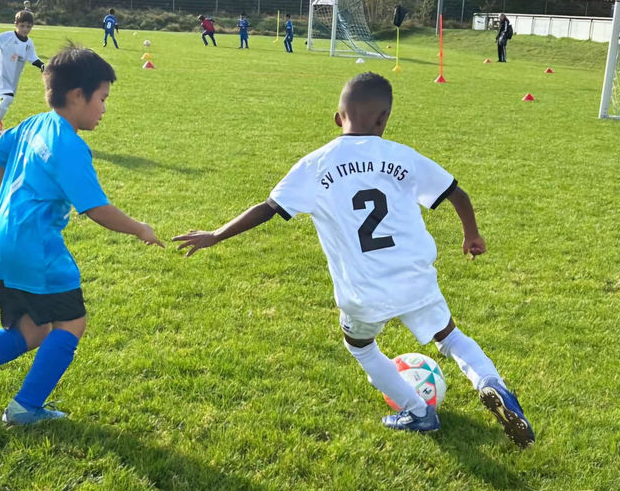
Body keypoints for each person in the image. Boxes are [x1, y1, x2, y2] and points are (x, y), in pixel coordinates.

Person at [173, 72, 534, 445]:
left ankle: (418, 412)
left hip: (363, 292)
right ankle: (490, 383)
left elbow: (266, 208)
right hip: (414, 278)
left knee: (361, 347)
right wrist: (471, 234)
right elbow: (457, 194)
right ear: (383, 120)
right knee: (450, 337)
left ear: (337, 117)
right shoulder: (403, 157)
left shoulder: (316, 164)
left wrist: (215, 235)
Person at [0, 45, 164, 427]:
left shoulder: (35, 123)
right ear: (76, 96)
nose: (104, 108)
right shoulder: (69, 146)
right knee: (72, 323)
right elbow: (96, 208)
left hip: (2, 242)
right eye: (102, 99)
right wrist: (140, 228)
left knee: (32, 328)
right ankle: (25, 408)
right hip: (36, 249)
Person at [0, 10, 44, 136]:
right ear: (16, 24)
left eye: (28, 26)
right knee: (8, 97)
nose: (25, 29)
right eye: (22, 26)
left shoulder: (29, 44)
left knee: (6, 99)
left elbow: (32, 58)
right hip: (2, 73)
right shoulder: (8, 37)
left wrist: (42, 65)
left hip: (14, 78)